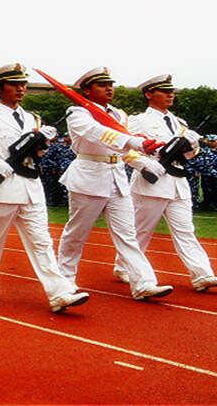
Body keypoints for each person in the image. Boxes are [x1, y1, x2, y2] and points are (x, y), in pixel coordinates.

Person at [0, 63, 88, 312]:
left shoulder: (32, 119)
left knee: (42, 241)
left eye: (23, 84)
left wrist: (42, 143)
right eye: (14, 84)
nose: (21, 89)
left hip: (31, 186)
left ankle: (59, 292)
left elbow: (37, 155)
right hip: (1, 188)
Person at [56, 67, 173, 301]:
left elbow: (123, 149)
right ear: (87, 90)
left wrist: (142, 163)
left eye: (110, 84)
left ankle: (144, 283)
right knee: (77, 233)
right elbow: (97, 133)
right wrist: (134, 142)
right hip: (89, 176)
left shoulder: (119, 114)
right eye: (102, 85)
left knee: (128, 234)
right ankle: (65, 281)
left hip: (116, 177)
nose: (109, 88)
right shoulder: (77, 113)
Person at [113, 75, 217, 292]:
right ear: (149, 94)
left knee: (186, 230)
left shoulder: (180, 123)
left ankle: (202, 275)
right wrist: (144, 165)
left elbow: (192, 153)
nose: (170, 95)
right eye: (164, 91)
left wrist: (189, 147)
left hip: (177, 180)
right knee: (140, 231)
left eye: (172, 91)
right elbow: (124, 149)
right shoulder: (137, 120)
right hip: (151, 181)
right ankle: (123, 267)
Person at [195, 135, 217, 211]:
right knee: (206, 190)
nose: (211, 143)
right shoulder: (205, 151)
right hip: (206, 173)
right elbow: (201, 161)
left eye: (213, 141)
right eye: (210, 141)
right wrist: (199, 170)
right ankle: (208, 204)